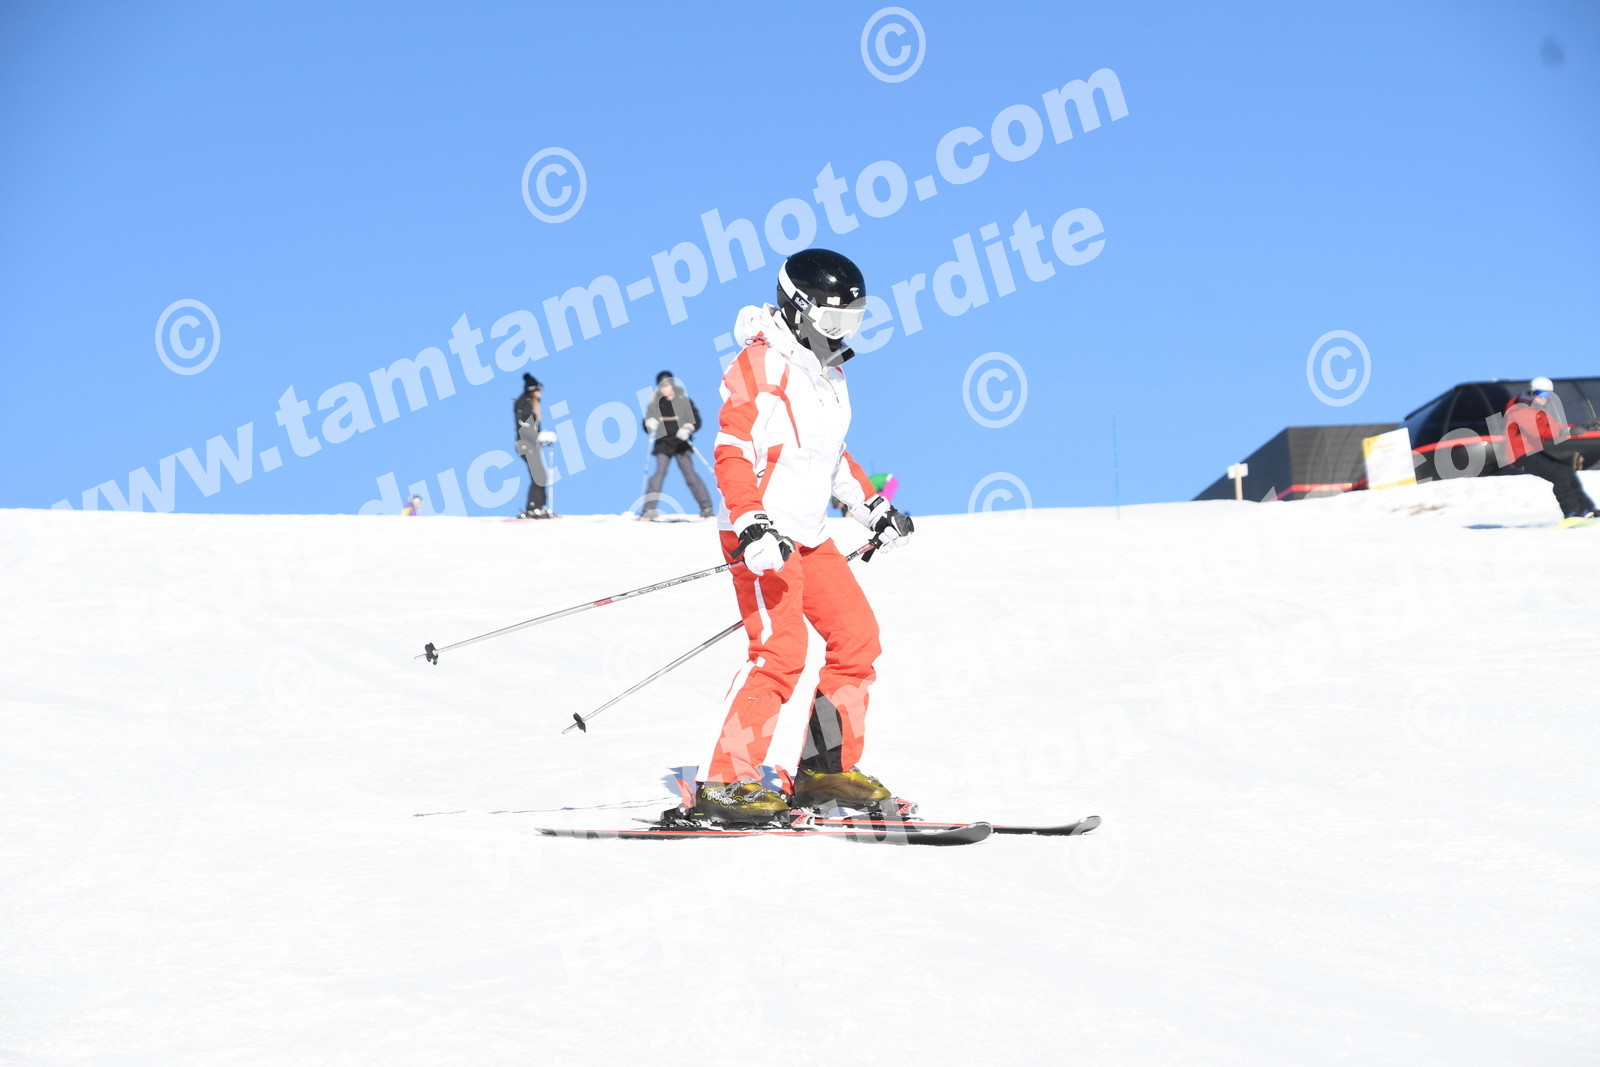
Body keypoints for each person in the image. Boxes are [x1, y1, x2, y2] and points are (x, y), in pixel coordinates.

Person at [694, 248, 915, 824]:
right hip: (762, 536)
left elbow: (830, 457)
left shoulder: (829, 374)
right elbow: (731, 450)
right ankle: (725, 782)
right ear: (798, 308)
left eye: (853, 319)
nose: (842, 332)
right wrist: (751, 522)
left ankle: (824, 771)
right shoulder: (759, 364)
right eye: (833, 318)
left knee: (856, 638)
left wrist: (872, 508)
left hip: (809, 535)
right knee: (780, 651)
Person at [1501, 376, 1597, 519]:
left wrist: (1581, 427)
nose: (1544, 398)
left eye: (1547, 395)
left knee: (1566, 471)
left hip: (1532, 452)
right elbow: (1538, 431)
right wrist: (1569, 431)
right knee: (1560, 475)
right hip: (1521, 455)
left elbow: (1554, 427)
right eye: (1540, 394)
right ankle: (1572, 513)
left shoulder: (1537, 410)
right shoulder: (1520, 409)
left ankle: (1587, 510)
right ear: (1532, 392)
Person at [640, 371, 715, 520]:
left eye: (667, 385)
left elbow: (696, 419)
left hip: (681, 444)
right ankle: (649, 508)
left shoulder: (684, 401)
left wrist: (688, 428)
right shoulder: (655, 404)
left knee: (690, 474)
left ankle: (706, 507)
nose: (664, 389)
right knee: (659, 473)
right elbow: (647, 420)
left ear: (672, 385)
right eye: (661, 386)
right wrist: (649, 423)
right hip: (663, 443)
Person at [513, 373, 556, 519]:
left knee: (540, 475)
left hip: (531, 444)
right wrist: (539, 436)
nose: (540, 393)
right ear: (532, 390)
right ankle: (533, 507)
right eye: (538, 390)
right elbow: (525, 426)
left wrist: (541, 439)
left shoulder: (530, 403)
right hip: (526, 444)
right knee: (539, 475)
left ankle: (539, 505)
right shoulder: (525, 403)